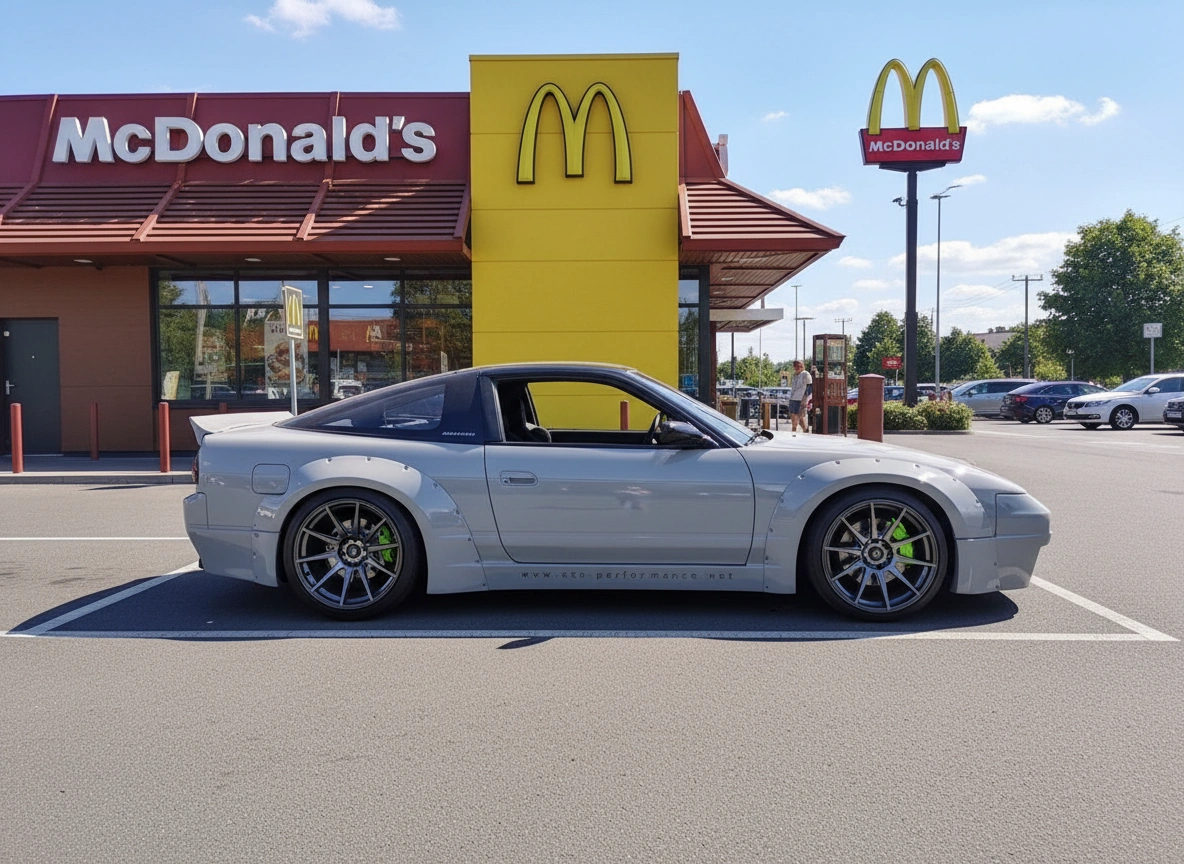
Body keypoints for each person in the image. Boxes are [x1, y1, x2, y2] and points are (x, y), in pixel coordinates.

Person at [788, 359, 812, 433]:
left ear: (802, 366)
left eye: (800, 366)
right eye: (795, 366)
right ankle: (802, 430)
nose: (798, 367)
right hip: (793, 398)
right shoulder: (795, 376)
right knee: (793, 416)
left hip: (801, 399)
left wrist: (806, 400)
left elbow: (809, 387)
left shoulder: (805, 374)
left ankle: (797, 432)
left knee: (800, 416)